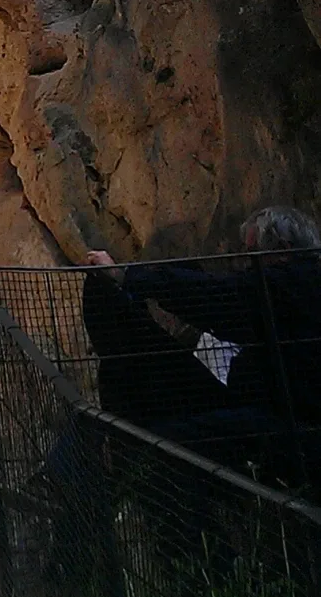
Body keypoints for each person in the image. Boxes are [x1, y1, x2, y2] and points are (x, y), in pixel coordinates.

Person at [82, 206, 321, 485]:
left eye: (251, 255)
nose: (244, 265)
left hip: (288, 427)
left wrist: (128, 276)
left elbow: (218, 298)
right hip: (261, 406)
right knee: (119, 381)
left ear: (281, 250)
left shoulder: (294, 283)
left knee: (170, 440)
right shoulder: (289, 286)